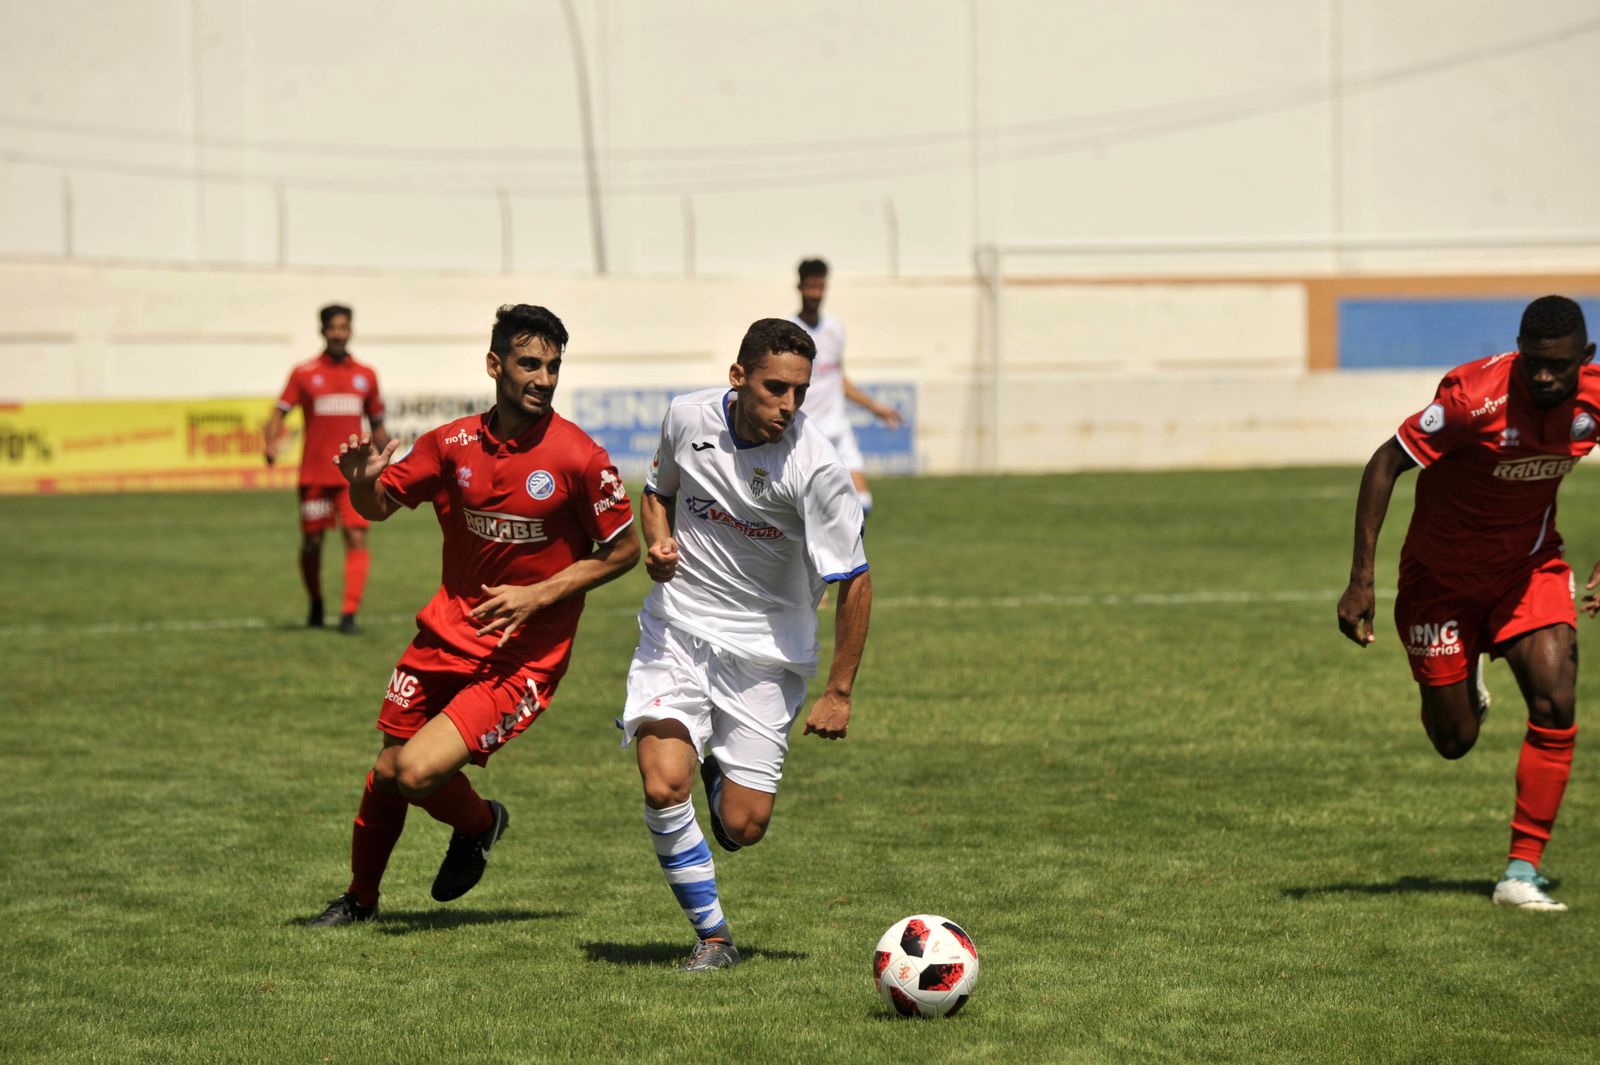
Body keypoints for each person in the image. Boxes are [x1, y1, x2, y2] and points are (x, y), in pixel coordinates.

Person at [305, 304, 640, 927]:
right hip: (444, 634)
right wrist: (358, 482)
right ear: (495, 365)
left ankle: (482, 822)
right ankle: (361, 901)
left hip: (522, 656)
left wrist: (539, 595)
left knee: (413, 770)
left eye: (553, 367)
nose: (543, 378)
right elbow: (378, 507)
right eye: (529, 363)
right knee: (386, 773)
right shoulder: (451, 442)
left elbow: (624, 551)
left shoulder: (579, 458)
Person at [620, 318, 872, 970]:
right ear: (738, 378)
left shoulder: (816, 468)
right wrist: (658, 541)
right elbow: (656, 494)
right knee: (660, 782)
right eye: (774, 388)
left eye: (800, 391)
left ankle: (719, 772)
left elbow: (856, 579)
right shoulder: (686, 417)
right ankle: (713, 937)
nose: (788, 405)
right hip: (678, 627)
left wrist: (840, 691)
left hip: (767, 651)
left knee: (743, 826)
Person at [1338, 295, 1598, 912]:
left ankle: (1520, 872)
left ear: (1583, 359)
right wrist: (1361, 579)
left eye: (1556, 366)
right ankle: (1468, 680)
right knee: (1454, 740)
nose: (1542, 376)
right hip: (1440, 581)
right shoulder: (1471, 399)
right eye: (1533, 361)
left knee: (1556, 698)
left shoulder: (1593, 396)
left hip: (1528, 570)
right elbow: (1384, 463)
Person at [265, 304, 389, 633]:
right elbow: (279, 413)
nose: (338, 333)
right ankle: (317, 604)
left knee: (356, 536)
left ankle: (349, 614)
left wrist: (388, 459)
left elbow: (377, 424)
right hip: (315, 475)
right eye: (333, 327)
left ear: (350, 331)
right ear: (323, 331)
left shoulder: (366, 375)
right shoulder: (303, 373)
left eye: (344, 327)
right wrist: (270, 442)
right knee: (312, 543)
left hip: (353, 477)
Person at [788, 258, 902, 516]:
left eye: (820, 287)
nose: (815, 293)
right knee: (807, 509)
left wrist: (874, 407)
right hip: (806, 430)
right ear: (800, 287)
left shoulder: (835, 329)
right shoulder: (789, 329)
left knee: (863, 505)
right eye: (810, 287)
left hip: (838, 428)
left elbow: (838, 377)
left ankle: (847, 556)